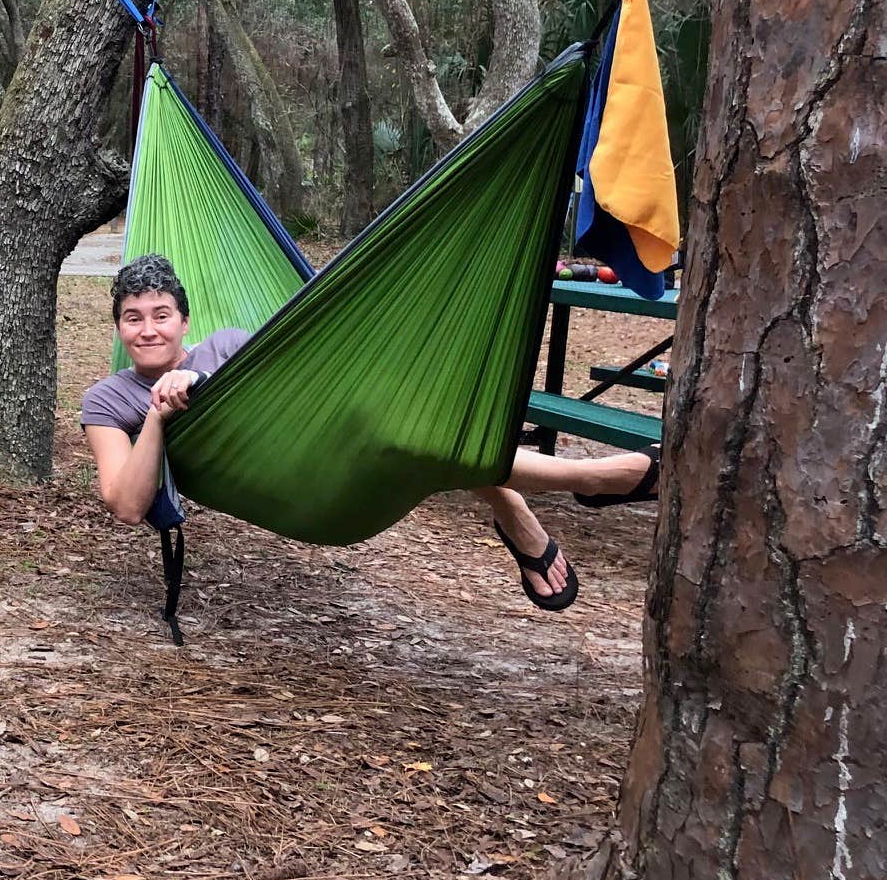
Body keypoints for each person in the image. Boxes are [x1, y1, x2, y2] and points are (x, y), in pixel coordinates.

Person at [81, 254, 660, 612]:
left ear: (185, 319)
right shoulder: (109, 399)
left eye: (162, 314)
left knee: (411, 431)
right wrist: (158, 415)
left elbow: (311, 387)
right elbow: (127, 505)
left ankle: (551, 490)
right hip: (289, 487)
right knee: (413, 443)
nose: (149, 329)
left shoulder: (229, 345)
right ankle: (581, 480)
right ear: (118, 328)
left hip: (323, 441)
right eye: (134, 318)